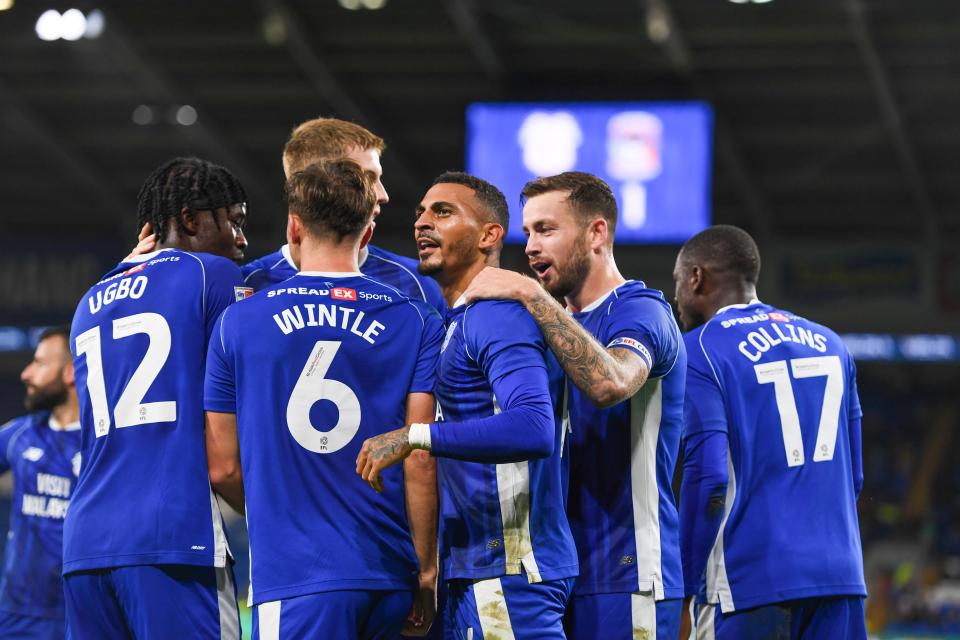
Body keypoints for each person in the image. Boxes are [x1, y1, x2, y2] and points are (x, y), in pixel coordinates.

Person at [204, 159, 442, 639]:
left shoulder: (237, 322)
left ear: (294, 227)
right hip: (387, 573)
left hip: (294, 578)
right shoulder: (415, 319)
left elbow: (223, 467)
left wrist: (279, 517)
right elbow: (419, 456)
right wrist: (426, 570)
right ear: (368, 231)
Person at [462, 172, 686, 639]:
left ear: (597, 233)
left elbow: (610, 382)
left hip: (626, 570)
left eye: (546, 229)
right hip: (557, 568)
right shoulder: (549, 322)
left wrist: (529, 293)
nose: (530, 247)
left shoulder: (641, 310)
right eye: (527, 233)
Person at [356, 172, 578, 639]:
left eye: (442, 212)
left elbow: (533, 425)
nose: (421, 223)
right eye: (420, 212)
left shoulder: (497, 316)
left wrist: (412, 436)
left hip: (510, 571)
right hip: (476, 572)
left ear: (489, 235)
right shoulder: (456, 322)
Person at [64, 157, 249, 639]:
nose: (243, 240)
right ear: (190, 219)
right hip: (172, 538)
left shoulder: (90, 299)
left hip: (85, 546)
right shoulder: (213, 274)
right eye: (235, 220)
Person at [672, 225, 866, 639]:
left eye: (677, 283)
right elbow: (855, 477)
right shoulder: (832, 343)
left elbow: (709, 479)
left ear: (696, 278)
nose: (675, 299)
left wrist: (685, 586)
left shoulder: (700, 350)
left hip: (749, 582)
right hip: (841, 577)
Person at [134, 117, 445, 313]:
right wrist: (139, 275)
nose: (383, 195)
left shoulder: (416, 284)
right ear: (317, 185)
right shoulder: (245, 286)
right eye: (367, 178)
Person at [0, 327, 81, 639]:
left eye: (39, 363)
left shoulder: (100, 442)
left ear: (70, 373)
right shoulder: (20, 435)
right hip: (17, 616)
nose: (26, 373)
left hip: (79, 613)